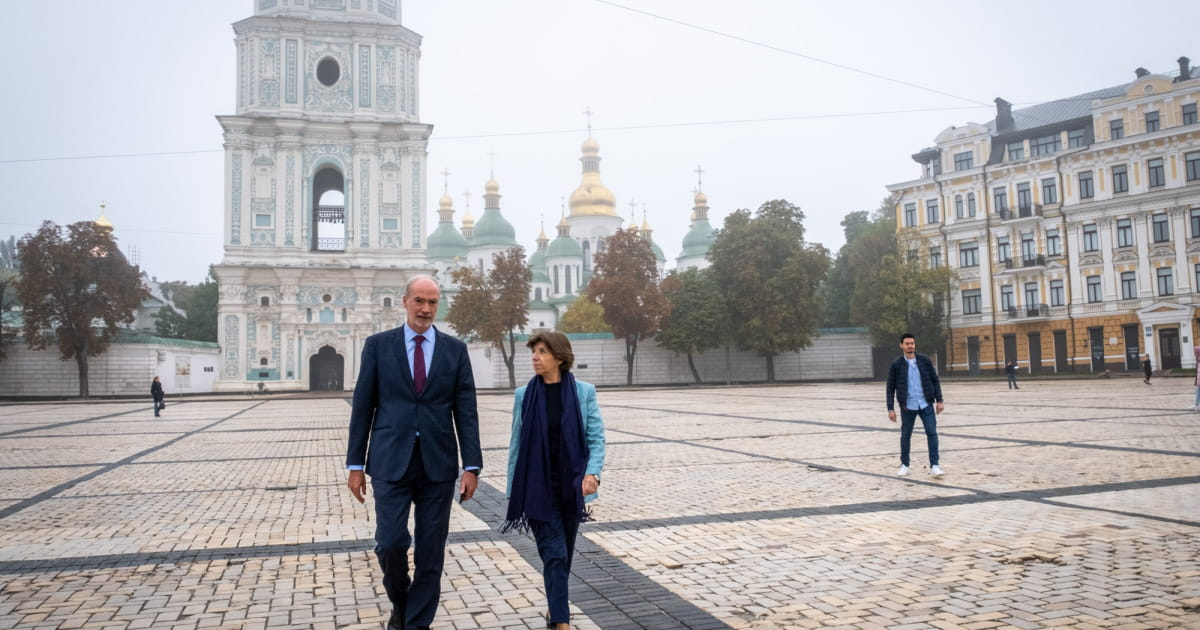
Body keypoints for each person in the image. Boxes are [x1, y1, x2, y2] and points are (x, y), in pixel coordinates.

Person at [345, 275, 482, 630]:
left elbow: (466, 410)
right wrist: (356, 465)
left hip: (437, 464)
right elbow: (363, 406)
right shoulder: (379, 346)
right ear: (404, 301)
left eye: (432, 302)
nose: (425, 309)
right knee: (389, 543)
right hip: (391, 461)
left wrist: (472, 467)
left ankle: (416, 624)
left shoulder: (455, 350)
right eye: (419, 301)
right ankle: (403, 604)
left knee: (430, 553)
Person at [503, 332, 605, 630]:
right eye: (534, 351)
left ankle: (554, 607)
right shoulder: (524, 396)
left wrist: (593, 473)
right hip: (537, 489)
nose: (535, 356)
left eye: (542, 351)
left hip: (571, 489)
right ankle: (562, 622)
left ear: (559, 357)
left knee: (563, 556)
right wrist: (513, 490)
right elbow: (516, 446)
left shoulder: (584, 393)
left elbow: (596, 439)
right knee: (555, 554)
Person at [885, 332, 945, 478]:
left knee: (932, 433)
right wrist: (890, 409)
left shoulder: (924, 360)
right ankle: (905, 465)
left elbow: (934, 380)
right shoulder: (897, 364)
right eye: (907, 344)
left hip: (926, 404)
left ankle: (935, 466)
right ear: (901, 346)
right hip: (908, 406)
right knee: (905, 436)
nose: (910, 346)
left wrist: (940, 400)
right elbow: (890, 387)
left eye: (912, 343)